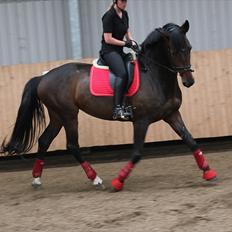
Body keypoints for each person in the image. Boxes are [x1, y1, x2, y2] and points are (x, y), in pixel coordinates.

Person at [100, 0, 136, 120]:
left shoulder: (124, 14)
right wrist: (125, 44)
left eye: (126, 1)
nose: (125, 3)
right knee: (122, 73)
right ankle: (117, 108)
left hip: (119, 51)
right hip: (109, 51)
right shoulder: (108, 16)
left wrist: (133, 42)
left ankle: (127, 103)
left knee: (134, 64)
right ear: (116, 1)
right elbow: (108, 39)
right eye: (122, 1)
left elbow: (127, 32)